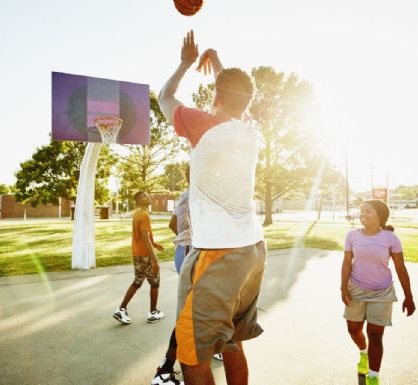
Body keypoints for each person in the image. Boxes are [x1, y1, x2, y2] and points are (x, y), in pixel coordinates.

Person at [158, 30, 266, 385]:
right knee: (233, 342)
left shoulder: (202, 124)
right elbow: (238, 96)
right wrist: (218, 62)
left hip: (216, 255)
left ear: (217, 95)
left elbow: (165, 97)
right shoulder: (249, 130)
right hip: (252, 249)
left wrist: (186, 63)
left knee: (192, 357)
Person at [340, 200, 416, 385]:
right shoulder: (352, 235)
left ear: (379, 216)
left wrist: (409, 296)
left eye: (368, 211)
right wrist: (343, 288)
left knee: (375, 335)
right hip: (356, 289)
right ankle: (363, 351)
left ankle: (373, 377)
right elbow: (347, 262)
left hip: (382, 292)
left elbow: (400, 267)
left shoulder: (390, 238)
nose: (362, 213)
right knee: (353, 330)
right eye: (361, 210)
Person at [152, 166, 191, 385]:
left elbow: (172, 223)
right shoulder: (192, 194)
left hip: (189, 251)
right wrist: (188, 237)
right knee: (188, 313)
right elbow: (173, 224)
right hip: (188, 251)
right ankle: (165, 371)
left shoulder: (195, 193)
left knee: (196, 310)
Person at [113, 191, 165, 324]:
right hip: (145, 255)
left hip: (137, 253)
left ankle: (121, 310)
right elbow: (144, 238)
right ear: (139, 201)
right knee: (155, 282)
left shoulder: (137, 213)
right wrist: (154, 259)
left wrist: (155, 244)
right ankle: (153, 313)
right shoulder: (144, 215)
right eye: (144, 196)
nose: (148, 197)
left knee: (137, 281)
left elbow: (143, 236)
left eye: (148, 195)